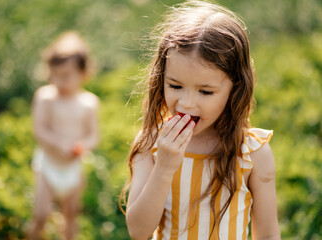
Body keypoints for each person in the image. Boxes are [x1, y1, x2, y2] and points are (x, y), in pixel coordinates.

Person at [121, 1, 280, 239]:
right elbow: (138, 231)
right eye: (175, 86)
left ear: (235, 89)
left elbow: (267, 235)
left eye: (205, 92)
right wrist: (164, 168)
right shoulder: (153, 144)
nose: (186, 103)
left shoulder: (253, 153)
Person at [27, 31, 99, 240]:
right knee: (41, 214)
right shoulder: (46, 97)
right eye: (55, 74)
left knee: (71, 215)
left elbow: (93, 136)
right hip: (48, 165)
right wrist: (58, 144)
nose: (60, 80)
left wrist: (81, 146)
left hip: (73, 167)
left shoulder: (89, 103)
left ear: (83, 73)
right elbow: (39, 130)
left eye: (66, 75)